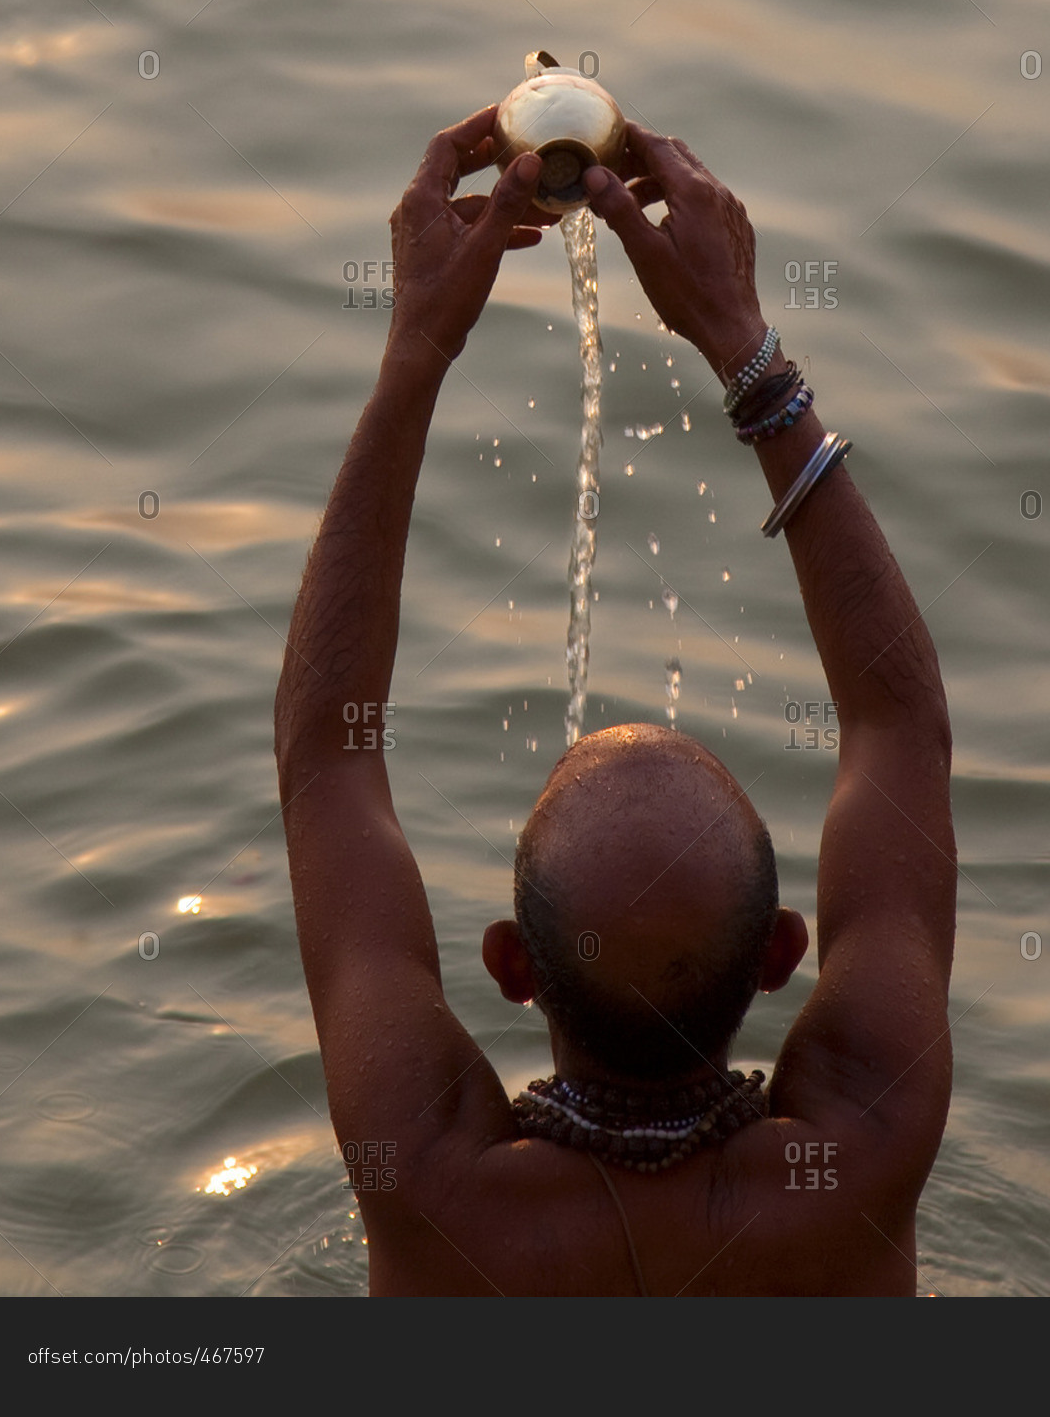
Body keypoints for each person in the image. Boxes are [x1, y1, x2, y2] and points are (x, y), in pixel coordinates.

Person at [274, 105, 956, 1296]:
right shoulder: (865, 1154)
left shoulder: (432, 1186)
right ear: (781, 956)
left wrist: (416, 356)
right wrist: (745, 347)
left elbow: (328, 758)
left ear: (510, 965)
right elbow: (899, 725)